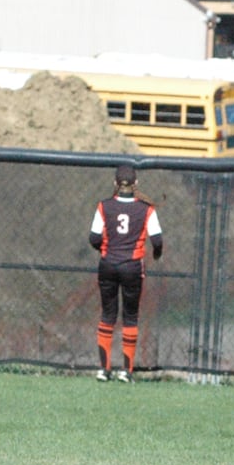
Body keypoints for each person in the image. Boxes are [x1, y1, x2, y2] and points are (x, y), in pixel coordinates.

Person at [88, 162, 162, 381]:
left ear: (115, 183)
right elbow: (157, 239)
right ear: (136, 184)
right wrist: (156, 253)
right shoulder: (146, 209)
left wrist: (106, 249)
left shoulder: (104, 206)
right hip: (132, 266)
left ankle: (104, 369)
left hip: (108, 264)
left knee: (107, 314)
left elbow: (93, 238)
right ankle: (126, 371)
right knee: (130, 316)